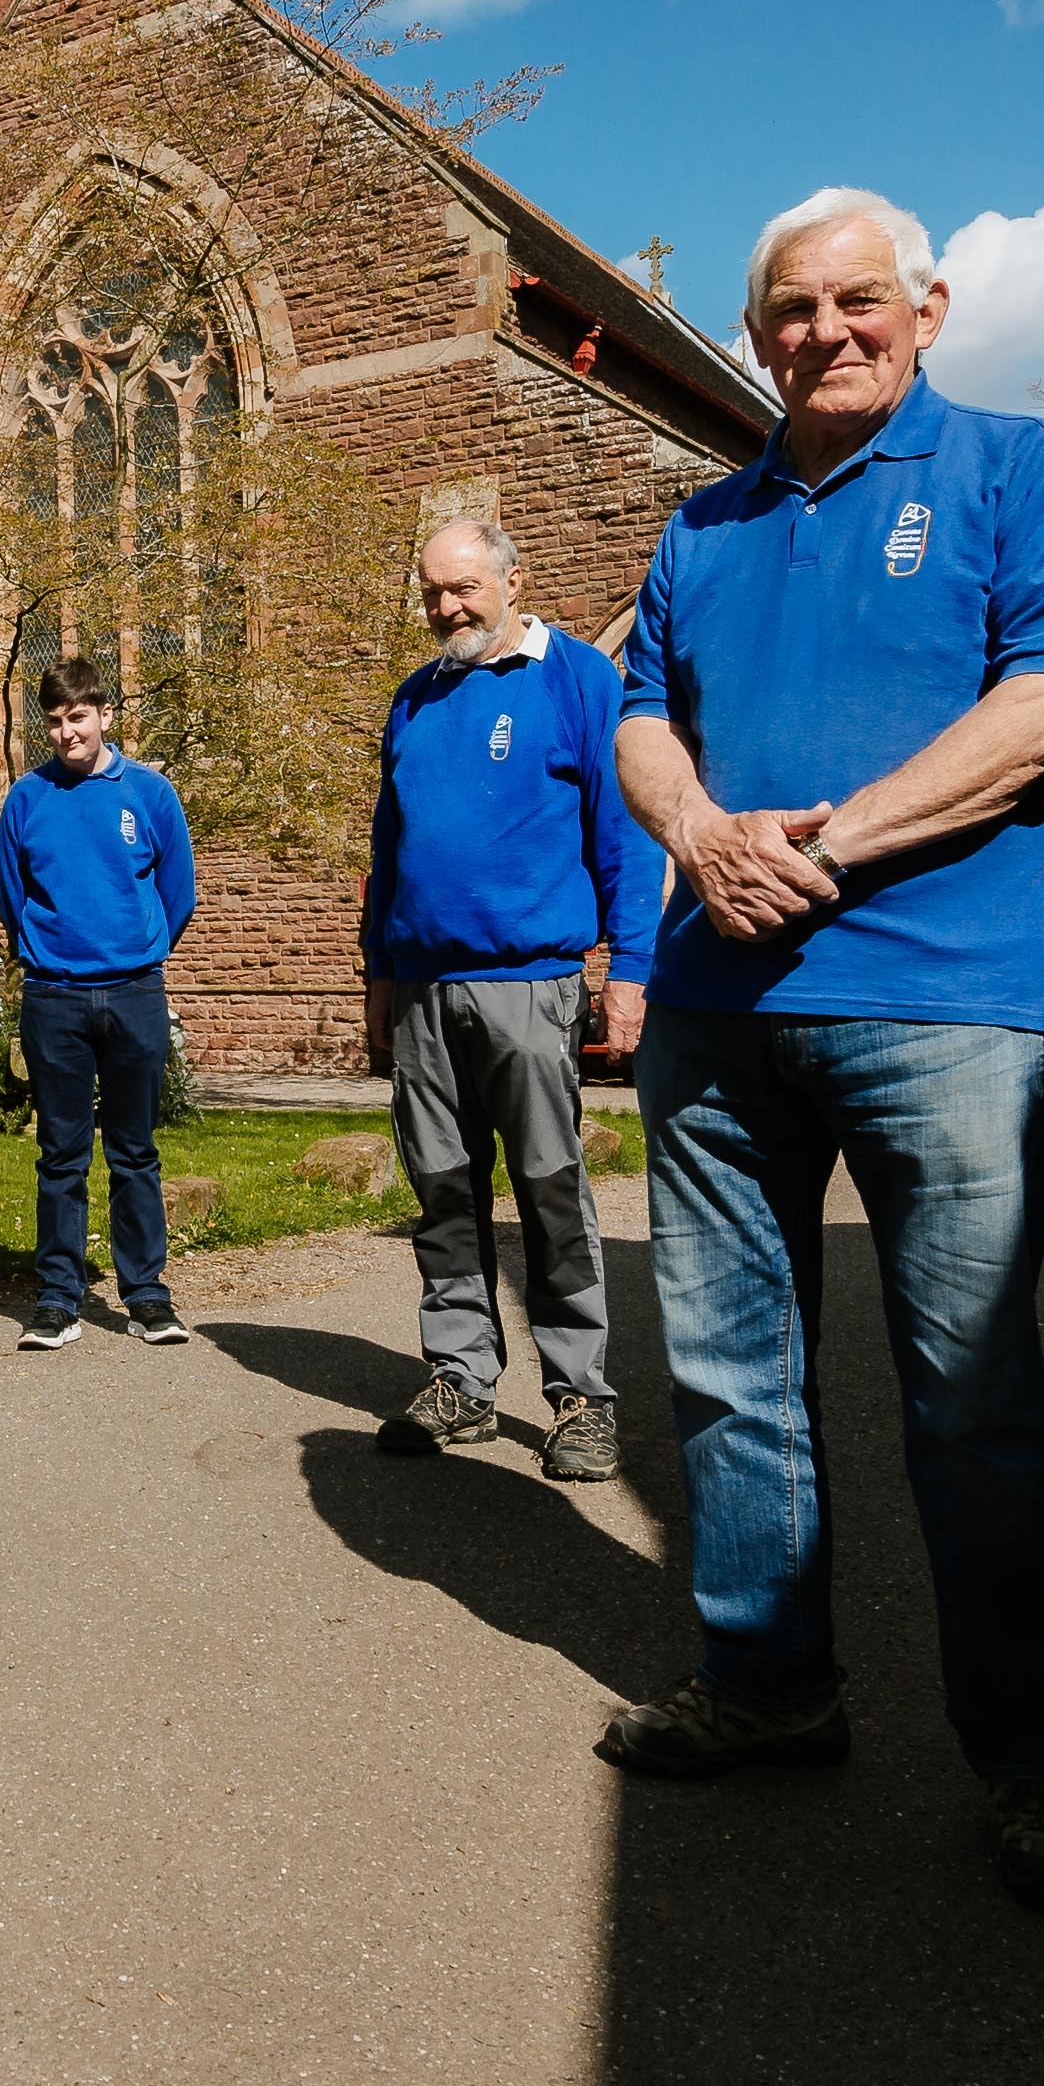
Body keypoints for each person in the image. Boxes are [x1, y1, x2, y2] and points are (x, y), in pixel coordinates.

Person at [604, 187, 1044, 1917]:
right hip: (712, 1013)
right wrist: (698, 833)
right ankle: (769, 1692)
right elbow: (635, 714)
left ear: (926, 304)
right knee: (724, 1379)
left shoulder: (1016, 470)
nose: (820, 331)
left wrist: (822, 852)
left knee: (973, 1403)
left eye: (854, 301)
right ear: (757, 330)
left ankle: (1038, 1768)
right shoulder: (702, 521)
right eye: (789, 310)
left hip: (942, 1010)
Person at [359, 516, 659, 1483]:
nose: (446, 608)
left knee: (549, 1191)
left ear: (512, 579)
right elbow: (387, 854)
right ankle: (461, 1380)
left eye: (462, 588)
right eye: (431, 592)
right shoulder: (413, 699)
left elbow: (623, 832)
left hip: (530, 984)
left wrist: (631, 972)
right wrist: (377, 980)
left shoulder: (575, 678)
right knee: (443, 1193)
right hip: (420, 990)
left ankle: (580, 1398)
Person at [0, 654, 200, 1351]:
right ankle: (57, 1297)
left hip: (134, 992)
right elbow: (11, 895)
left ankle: (146, 1295)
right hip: (54, 997)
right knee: (61, 1154)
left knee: (135, 1150)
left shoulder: (148, 793)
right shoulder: (26, 800)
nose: (64, 733)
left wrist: (137, 951)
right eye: (52, 721)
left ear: (104, 716)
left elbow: (178, 892)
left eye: (76, 717)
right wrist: (49, 954)